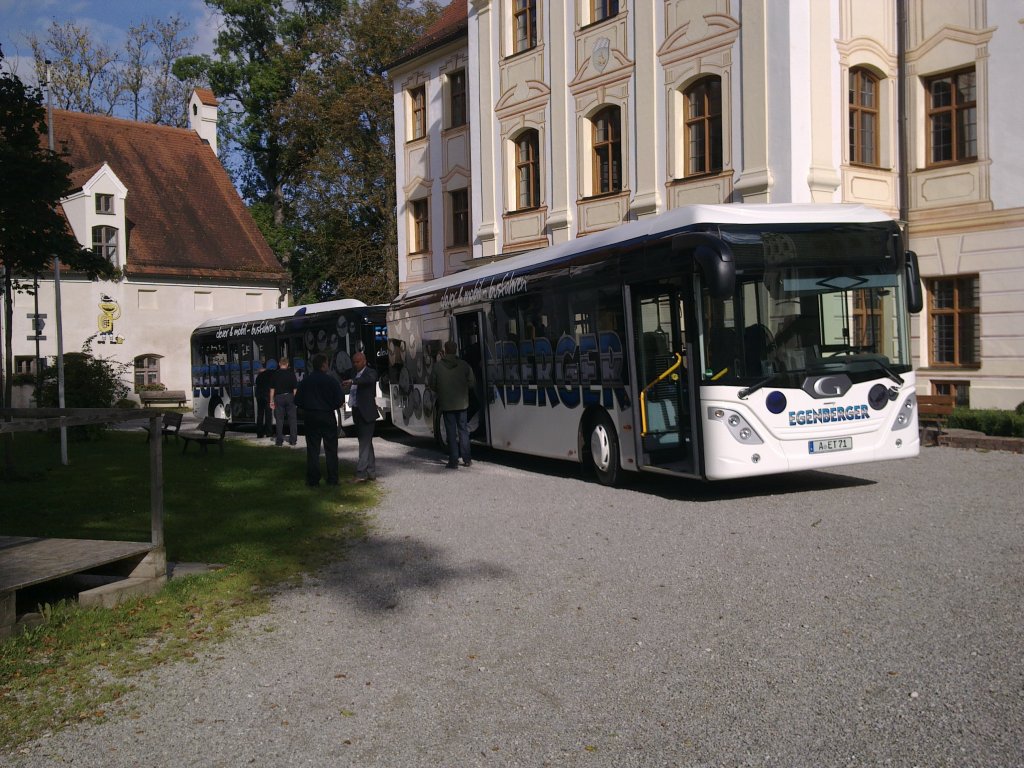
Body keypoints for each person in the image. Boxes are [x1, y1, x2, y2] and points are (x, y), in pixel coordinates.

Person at [295, 353, 345, 486]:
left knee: (313, 449)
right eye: (327, 363)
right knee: (331, 449)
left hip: (311, 416)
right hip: (327, 415)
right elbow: (340, 400)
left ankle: (313, 479)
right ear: (324, 365)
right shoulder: (331, 381)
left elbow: (298, 401)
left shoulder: (306, 381)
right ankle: (333, 478)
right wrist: (331, 406)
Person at [429, 340, 476, 469]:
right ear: (455, 350)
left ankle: (453, 460)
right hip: (462, 404)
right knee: (463, 430)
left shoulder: (438, 367)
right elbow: (472, 383)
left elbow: (432, 384)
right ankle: (467, 459)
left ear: (445, 350)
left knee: (451, 432)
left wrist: (442, 390)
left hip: (447, 404)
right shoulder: (464, 365)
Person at [342, 351, 379, 482]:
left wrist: (353, 381)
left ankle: (361, 473)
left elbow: (368, 380)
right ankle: (371, 471)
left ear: (364, 361)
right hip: (357, 411)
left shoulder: (370, 372)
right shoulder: (353, 373)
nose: (355, 364)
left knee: (364, 443)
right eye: (354, 362)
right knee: (366, 443)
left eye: (357, 362)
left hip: (367, 413)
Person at [269, 357, 298, 446]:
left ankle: (279, 441)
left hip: (279, 397)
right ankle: (293, 440)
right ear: (287, 364)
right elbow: (295, 389)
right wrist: (295, 400)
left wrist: (271, 401)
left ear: (279, 364)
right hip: (289, 396)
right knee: (292, 419)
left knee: (279, 420)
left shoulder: (275, 374)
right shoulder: (291, 374)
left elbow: (272, 389)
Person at [254, 362, 275, 439]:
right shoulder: (272, 374)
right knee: (268, 415)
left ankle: (259, 433)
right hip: (267, 396)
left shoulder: (259, 376)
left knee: (260, 415)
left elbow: (257, 384)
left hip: (259, 396)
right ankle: (268, 433)